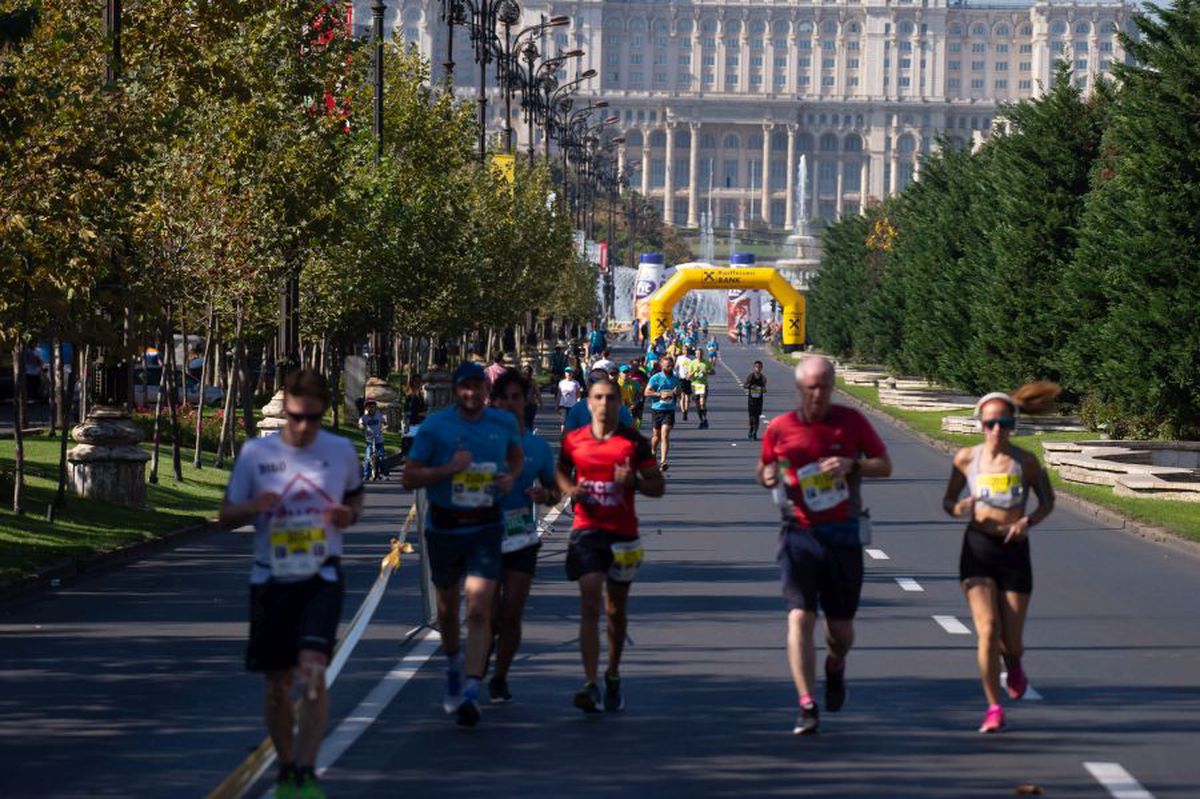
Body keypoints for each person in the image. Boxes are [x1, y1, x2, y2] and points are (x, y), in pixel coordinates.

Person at [219, 370, 363, 798]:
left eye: (314, 418)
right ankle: (285, 769)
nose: (304, 428)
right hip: (271, 578)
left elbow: (355, 496)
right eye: (297, 418)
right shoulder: (255, 455)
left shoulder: (340, 451)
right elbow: (225, 516)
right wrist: (252, 505)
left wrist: (348, 515)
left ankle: (306, 771)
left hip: (321, 576)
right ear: (286, 412)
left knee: (314, 674)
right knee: (278, 685)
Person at [756, 357, 892, 736]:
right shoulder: (781, 428)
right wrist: (767, 475)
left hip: (844, 532)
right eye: (811, 387)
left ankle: (835, 665)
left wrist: (853, 466)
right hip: (798, 533)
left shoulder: (852, 422)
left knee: (841, 629)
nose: (818, 394)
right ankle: (806, 703)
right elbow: (764, 469)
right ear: (799, 389)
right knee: (799, 616)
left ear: (832, 387)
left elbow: (884, 464)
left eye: (824, 387)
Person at [403, 362, 524, 727]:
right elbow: (409, 477)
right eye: (464, 388)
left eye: (477, 387)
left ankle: (471, 688)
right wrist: (448, 470)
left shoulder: (501, 424)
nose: (471, 394)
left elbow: (515, 456)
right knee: (447, 611)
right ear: (457, 391)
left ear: (486, 391)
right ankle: (455, 662)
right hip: (444, 526)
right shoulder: (437, 427)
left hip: (486, 526)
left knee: (478, 608)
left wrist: (509, 479)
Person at [942, 385, 1057, 734]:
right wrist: (959, 507)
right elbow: (948, 502)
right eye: (991, 423)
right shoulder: (966, 458)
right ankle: (994, 706)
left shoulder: (1026, 462)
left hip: (1014, 551)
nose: (997, 430)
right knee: (988, 630)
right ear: (980, 424)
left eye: (1004, 423)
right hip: (978, 547)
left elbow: (1047, 502)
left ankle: (1015, 663)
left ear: (1013, 425)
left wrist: (1026, 522)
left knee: (1012, 641)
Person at [557, 376, 665, 714]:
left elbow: (657, 486)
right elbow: (559, 470)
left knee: (615, 611)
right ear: (588, 403)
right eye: (598, 398)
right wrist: (570, 489)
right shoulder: (574, 440)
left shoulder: (634, 442)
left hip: (623, 534)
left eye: (610, 398)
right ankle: (590, 684)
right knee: (590, 602)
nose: (604, 404)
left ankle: (613, 673)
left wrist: (632, 481)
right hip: (587, 530)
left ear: (620, 403)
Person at [487, 371, 561, 703]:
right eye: (507, 398)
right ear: (495, 402)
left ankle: (499, 677)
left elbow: (555, 492)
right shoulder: (480, 443)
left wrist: (544, 495)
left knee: (511, 613)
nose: (513, 404)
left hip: (521, 537)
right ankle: (481, 649)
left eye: (519, 397)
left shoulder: (537, 447)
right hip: (484, 535)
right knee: (488, 615)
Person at [564, 368, 635, 432]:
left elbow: (566, 436)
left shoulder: (577, 408)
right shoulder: (619, 408)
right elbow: (632, 434)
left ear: (588, 385)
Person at [646, 356, 680, 471]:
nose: (669, 367)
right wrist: (659, 395)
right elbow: (647, 392)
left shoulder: (675, 379)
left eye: (671, 365)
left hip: (669, 410)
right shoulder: (655, 378)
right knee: (656, 435)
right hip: (657, 409)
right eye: (667, 365)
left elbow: (679, 392)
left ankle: (663, 461)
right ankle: (653, 452)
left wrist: (676, 392)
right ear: (662, 366)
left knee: (665, 434)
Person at [358, 399, 387, 480]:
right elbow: (360, 424)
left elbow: (384, 423)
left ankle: (383, 474)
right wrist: (362, 427)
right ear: (366, 408)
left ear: (375, 407)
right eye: (369, 407)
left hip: (379, 439)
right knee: (368, 457)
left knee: (381, 457)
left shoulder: (379, 415)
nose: (371, 408)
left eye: (372, 407)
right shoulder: (364, 417)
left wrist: (384, 427)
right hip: (369, 440)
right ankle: (366, 474)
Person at [689, 354, 713, 429]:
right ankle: (701, 420)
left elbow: (713, 372)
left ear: (702, 354)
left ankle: (705, 419)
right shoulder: (692, 363)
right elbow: (688, 377)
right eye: (697, 354)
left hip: (703, 385)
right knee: (698, 405)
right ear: (695, 355)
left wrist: (706, 371)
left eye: (700, 354)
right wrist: (695, 370)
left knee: (702, 403)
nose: (698, 355)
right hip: (695, 385)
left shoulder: (706, 362)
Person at [745, 360, 767, 440]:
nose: (758, 369)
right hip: (751, 399)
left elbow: (764, 389)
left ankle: (755, 432)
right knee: (751, 417)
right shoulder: (750, 376)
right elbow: (745, 385)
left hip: (759, 399)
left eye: (760, 367)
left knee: (757, 416)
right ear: (754, 368)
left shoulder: (763, 378)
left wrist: (762, 389)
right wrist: (751, 387)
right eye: (756, 367)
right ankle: (751, 428)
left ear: (762, 368)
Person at [556, 366, 583, 431]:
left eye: (570, 372)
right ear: (565, 373)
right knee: (564, 422)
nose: (568, 374)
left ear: (572, 374)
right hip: (563, 405)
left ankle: (571, 436)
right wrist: (557, 404)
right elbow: (559, 394)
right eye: (567, 372)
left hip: (572, 405)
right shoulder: (561, 383)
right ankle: (563, 436)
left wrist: (578, 405)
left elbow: (578, 395)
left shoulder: (576, 383)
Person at [520, 364, 541, 432]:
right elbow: (537, 393)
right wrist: (540, 402)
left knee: (526, 422)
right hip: (529, 404)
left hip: (527, 404)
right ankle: (528, 435)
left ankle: (526, 435)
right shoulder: (532, 382)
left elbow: (537, 393)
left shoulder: (521, 382)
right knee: (529, 422)